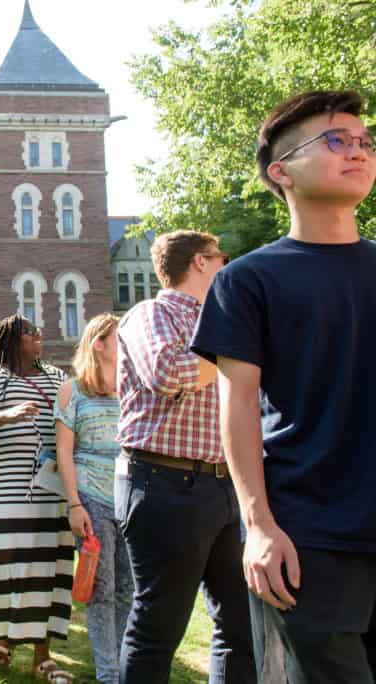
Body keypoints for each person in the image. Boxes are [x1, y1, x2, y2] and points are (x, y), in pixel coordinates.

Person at [191, 90, 376, 683]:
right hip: (308, 535)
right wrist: (260, 527)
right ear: (281, 171)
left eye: (364, 140)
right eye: (336, 140)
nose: (358, 151)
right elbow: (237, 406)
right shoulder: (246, 282)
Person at [115, 229, 253, 683]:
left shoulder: (224, 320)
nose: (226, 266)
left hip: (226, 486)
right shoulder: (149, 313)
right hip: (163, 484)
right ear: (199, 262)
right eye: (221, 258)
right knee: (160, 626)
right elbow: (168, 372)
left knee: (240, 625)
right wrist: (238, 352)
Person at [0, 315, 73, 682]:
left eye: (40, 330)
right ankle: (4, 635)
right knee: (9, 561)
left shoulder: (56, 378)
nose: (40, 334)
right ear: (12, 338)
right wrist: (6, 414)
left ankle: (43, 654)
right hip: (6, 486)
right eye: (30, 331)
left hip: (49, 487)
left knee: (45, 564)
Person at [54, 313, 132, 684]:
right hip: (92, 498)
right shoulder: (73, 391)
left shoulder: (134, 385)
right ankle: (108, 674)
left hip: (132, 498)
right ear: (98, 343)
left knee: (129, 590)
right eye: (120, 337)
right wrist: (74, 504)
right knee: (101, 591)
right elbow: (64, 453)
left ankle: (123, 663)